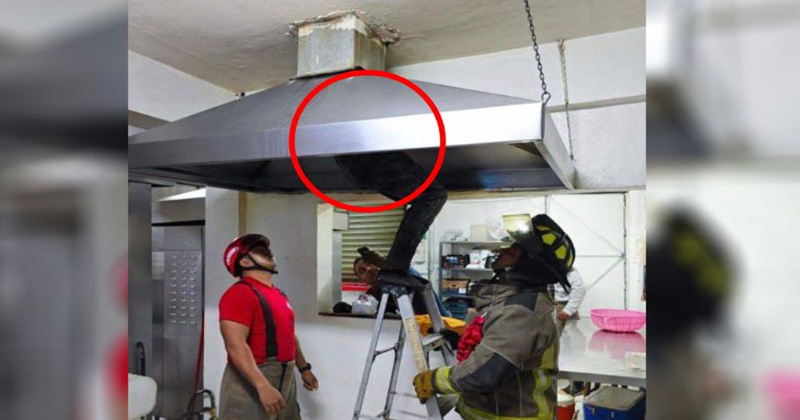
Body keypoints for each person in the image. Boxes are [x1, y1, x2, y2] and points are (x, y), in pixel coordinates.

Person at [412, 214, 574, 420]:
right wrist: (460, 340)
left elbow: (482, 374)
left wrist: (434, 380)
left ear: (526, 265)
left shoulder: (521, 312)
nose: (501, 251)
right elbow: (499, 343)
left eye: (512, 251)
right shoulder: (513, 301)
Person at [218, 234, 318, 420]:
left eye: (266, 249)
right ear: (245, 262)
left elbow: (289, 335)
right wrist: (262, 385)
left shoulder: (277, 294)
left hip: (285, 376)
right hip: (252, 380)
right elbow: (235, 346)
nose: (267, 252)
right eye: (259, 250)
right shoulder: (239, 294)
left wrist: (304, 368)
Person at [335, 152, 447, 287]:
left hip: (363, 157)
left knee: (431, 196)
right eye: (363, 271)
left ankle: (396, 266)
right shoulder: (385, 290)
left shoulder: (389, 286)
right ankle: (396, 266)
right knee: (431, 196)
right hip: (367, 157)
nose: (369, 269)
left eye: (367, 265)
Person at [352, 246, 451, 317]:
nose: (368, 269)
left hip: (437, 323)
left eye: (369, 264)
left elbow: (410, 277)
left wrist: (384, 262)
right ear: (362, 280)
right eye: (362, 271)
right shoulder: (370, 297)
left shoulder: (403, 276)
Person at [553, 268, 586, 332]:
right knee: (558, 331)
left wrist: (568, 310)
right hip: (556, 304)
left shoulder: (570, 272)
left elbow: (579, 289)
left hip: (565, 305)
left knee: (569, 332)